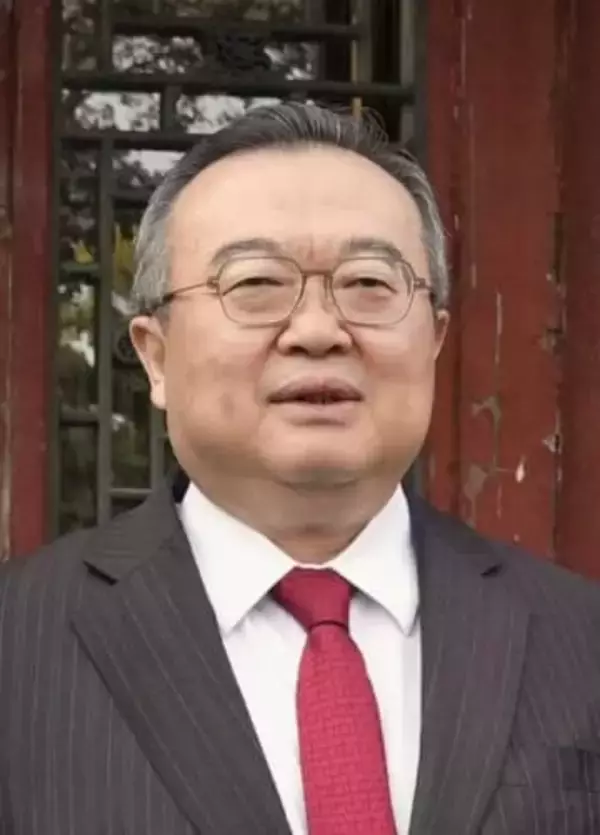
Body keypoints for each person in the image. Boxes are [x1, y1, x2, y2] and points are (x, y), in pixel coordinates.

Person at [1, 102, 600, 835]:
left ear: (435, 340)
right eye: (254, 283)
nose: (318, 331)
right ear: (155, 356)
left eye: (370, 283)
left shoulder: (580, 640)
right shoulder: (18, 645)